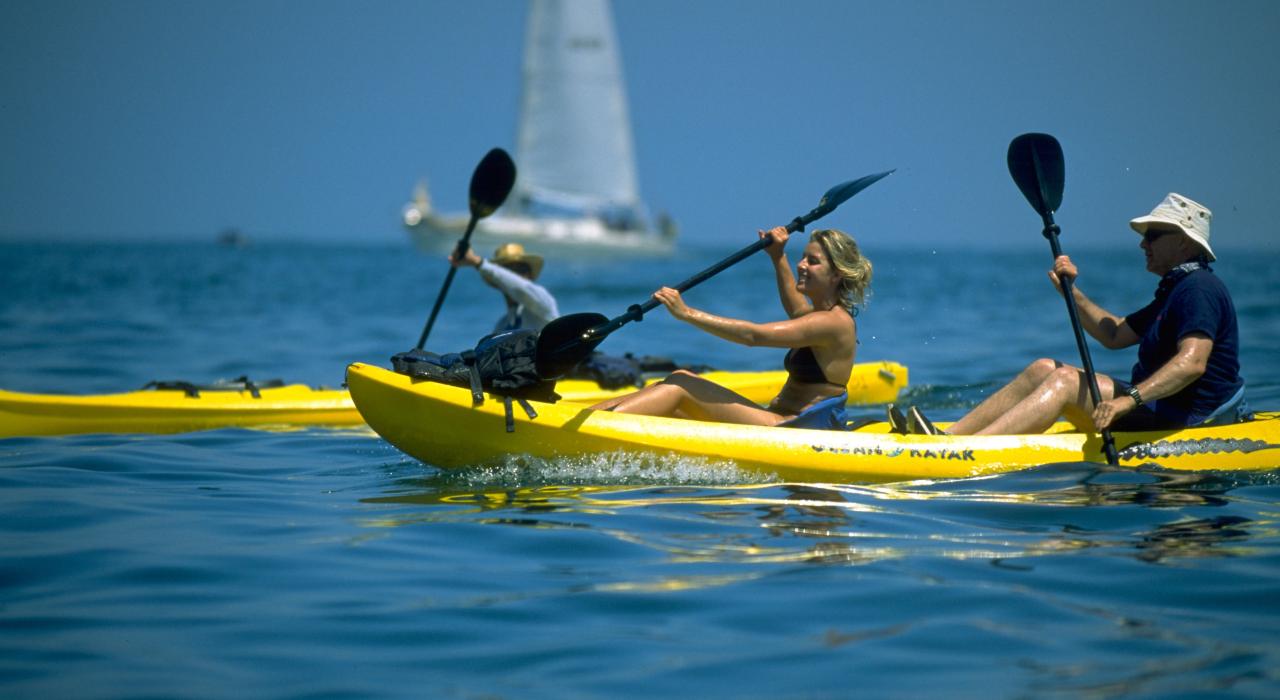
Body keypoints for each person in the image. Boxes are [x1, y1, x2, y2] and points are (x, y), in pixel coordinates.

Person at [902, 193, 1245, 436]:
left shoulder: (1198, 289)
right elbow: (1115, 335)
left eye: (1153, 236)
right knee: (1044, 369)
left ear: (1185, 244)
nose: (1143, 244)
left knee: (1065, 383)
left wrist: (1130, 400)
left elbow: (1193, 363)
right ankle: (949, 438)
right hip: (1159, 407)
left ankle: (968, 453)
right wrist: (1070, 290)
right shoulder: (1176, 289)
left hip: (1191, 420)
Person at [589, 226, 871, 427]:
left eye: (813, 261)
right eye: (802, 257)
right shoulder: (818, 316)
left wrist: (687, 313)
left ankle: (590, 429)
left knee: (680, 387)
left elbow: (753, 336)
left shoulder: (833, 323)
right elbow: (797, 308)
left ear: (836, 275)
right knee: (676, 378)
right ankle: (579, 417)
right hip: (776, 418)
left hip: (793, 429)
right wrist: (778, 256)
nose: (802, 265)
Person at [450, 242, 560, 333]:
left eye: (521, 270)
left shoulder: (544, 304)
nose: (515, 276)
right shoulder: (501, 327)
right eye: (509, 271)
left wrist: (478, 262)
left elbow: (521, 287)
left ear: (530, 275)